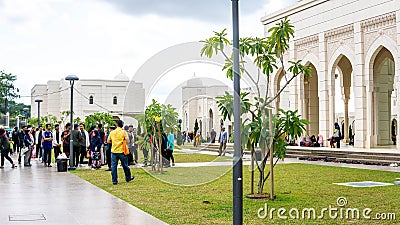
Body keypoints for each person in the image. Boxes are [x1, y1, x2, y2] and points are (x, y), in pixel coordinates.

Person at [107, 120, 134, 185]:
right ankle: (128, 177)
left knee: (113, 166)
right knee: (125, 165)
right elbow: (127, 141)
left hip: (114, 151)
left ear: (117, 125)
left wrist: (114, 143)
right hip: (122, 151)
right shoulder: (123, 132)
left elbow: (108, 141)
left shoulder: (112, 132)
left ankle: (114, 180)